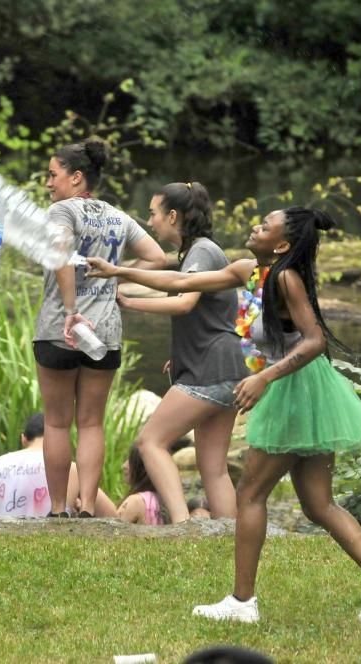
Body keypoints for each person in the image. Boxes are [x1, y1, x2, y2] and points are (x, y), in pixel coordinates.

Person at [88, 206, 361, 623]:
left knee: (250, 493)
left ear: (282, 244)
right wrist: (119, 272)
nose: (255, 227)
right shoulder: (250, 270)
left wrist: (266, 378)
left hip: (296, 388)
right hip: (299, 388)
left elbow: (316, 340)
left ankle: (242, 602)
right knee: (318, 504)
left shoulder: (285, 278)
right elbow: (180, 281)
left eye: (265, 226)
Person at [35, 137, 165, 518]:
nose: (48, 183)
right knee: (92, 423)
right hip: (105, 331)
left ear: (76, 177)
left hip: (61, 327)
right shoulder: (118, 217)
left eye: (52, 175)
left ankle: (59, 509)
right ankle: (89, 507)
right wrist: (117, 282)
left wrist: (72, 309)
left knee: (57, 423)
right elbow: (157, 258)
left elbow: (60, 258)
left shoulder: (61, 212)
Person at [115, 181, 245, 523]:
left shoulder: (201, 250)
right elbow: (210, 313)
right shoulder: (196, 251)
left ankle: (181, 524)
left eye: (154, 213)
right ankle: (227, 532)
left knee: (150, 442)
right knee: (212, 466)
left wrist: (131, 302)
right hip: (226, 366)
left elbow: (185, 301)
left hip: (211, 368)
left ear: (173, 216)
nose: (150, 221)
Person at [116, 444, 167, 525]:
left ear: (143, 467)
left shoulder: (136, 501)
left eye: (130, 460)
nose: (124, 466)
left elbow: (113, 533)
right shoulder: (164, 499)